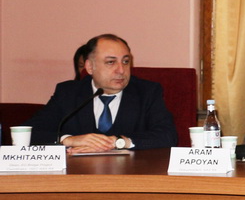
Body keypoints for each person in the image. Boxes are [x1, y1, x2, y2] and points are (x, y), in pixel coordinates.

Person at [25, 34, 177, 152]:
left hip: (130, 175)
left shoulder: (147, 92)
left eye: (125, 61)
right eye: (111, 62)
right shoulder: (68, 93)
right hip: (78, 175)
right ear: (90, 67)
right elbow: (27, 133)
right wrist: (68, 140)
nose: (121, 70)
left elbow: (167, 136)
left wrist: (118, 142)